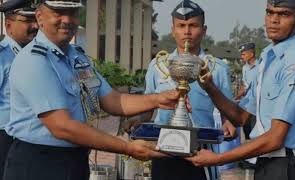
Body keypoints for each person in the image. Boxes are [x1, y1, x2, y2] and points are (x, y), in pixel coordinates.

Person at [2, 1, 180, 180]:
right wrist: (127, 148)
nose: (67, 20)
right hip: (39, 164)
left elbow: (112, 100)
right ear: (39, 17)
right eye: (59, 12)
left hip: (75, 159)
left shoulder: (77, 57)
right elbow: (62, 127)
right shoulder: (35, 61)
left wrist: (159, 99)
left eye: (72, 13)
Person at [187, 0, 295, 179]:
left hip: (286, 166)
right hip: (266, 164)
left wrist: (219, 158)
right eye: (270, 13)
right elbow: (241, 117)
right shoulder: (269, 59)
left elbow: (275, 138)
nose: (273, 20)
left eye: (284, 14)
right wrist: (209, 87)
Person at [124, 1, 237, 180]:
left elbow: (228, 112)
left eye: (193, 25)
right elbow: (148, 109)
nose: (187, 32)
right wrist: (137, 119)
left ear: (204, 29)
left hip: (201, 153)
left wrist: (227, 124)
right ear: (173, 29)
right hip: (163, 150)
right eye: (181, 26)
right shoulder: (158, 65)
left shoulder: (217, 67)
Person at [0, 0, 38, 179]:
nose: (35, 26)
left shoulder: (36, 54)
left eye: (35, 19)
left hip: (30, 140)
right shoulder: (3, 57)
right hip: (4, 138)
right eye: (27, 20)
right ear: (9, 25)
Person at [234, 42, 259, 169]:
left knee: (256, 132)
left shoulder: (261, 66)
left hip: (258, 106)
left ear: (251, 53)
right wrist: (235, 98)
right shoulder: (244, 68)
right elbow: (244, 87)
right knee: (247, 131)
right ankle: (251, 158)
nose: (242, 57)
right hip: (247, 105)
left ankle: (255, 160)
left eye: (243, 54)